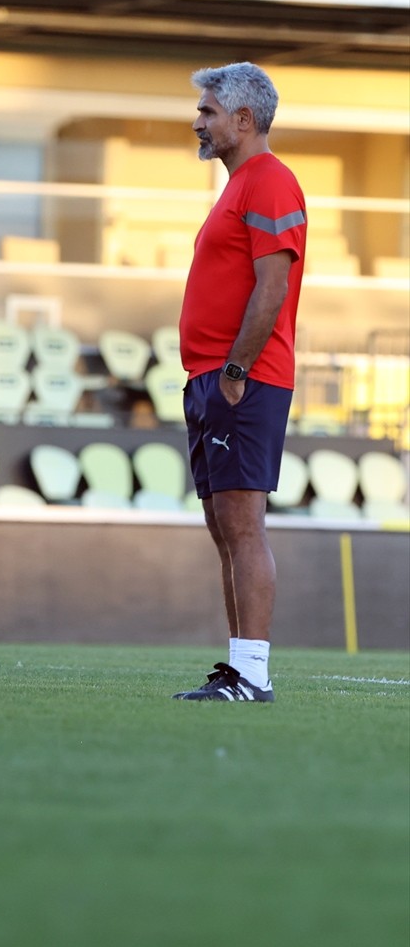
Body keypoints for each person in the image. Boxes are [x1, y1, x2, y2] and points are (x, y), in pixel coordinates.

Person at [173, 62, 306, 702]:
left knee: (243, 527)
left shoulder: (270, 181)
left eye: (208, 112)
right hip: (211, 381)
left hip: (241, 381)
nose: (198, 121)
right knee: (225, 528)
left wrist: (234, 372)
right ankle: (238, 666)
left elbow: (272, 288)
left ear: (243, 119)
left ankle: (253, 671)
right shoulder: (237, 186)